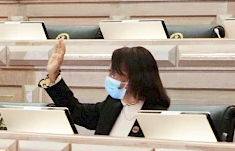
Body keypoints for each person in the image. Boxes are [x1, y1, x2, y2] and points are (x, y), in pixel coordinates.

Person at [38, 40, 170, 136]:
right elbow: (76, 111)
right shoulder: (112, 105)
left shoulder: (156, 114)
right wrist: (53, 74)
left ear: (136, 77)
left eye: (116, 73)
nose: (111, 77)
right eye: (111, 72)